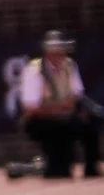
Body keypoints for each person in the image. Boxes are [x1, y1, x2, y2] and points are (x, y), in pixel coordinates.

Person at [14, 32, 102, 179]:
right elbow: (30, 108)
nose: (60, 54)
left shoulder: (69, 65)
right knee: (61, 128)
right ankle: (57, 168)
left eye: (62, 50)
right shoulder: (33, 70)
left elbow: (76, 95)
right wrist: (58, 111)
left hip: (65, 115)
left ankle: (91, 169)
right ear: (48, 51)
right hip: (39, 120)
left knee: (90, 124)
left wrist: (71, 109)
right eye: (56, 50)